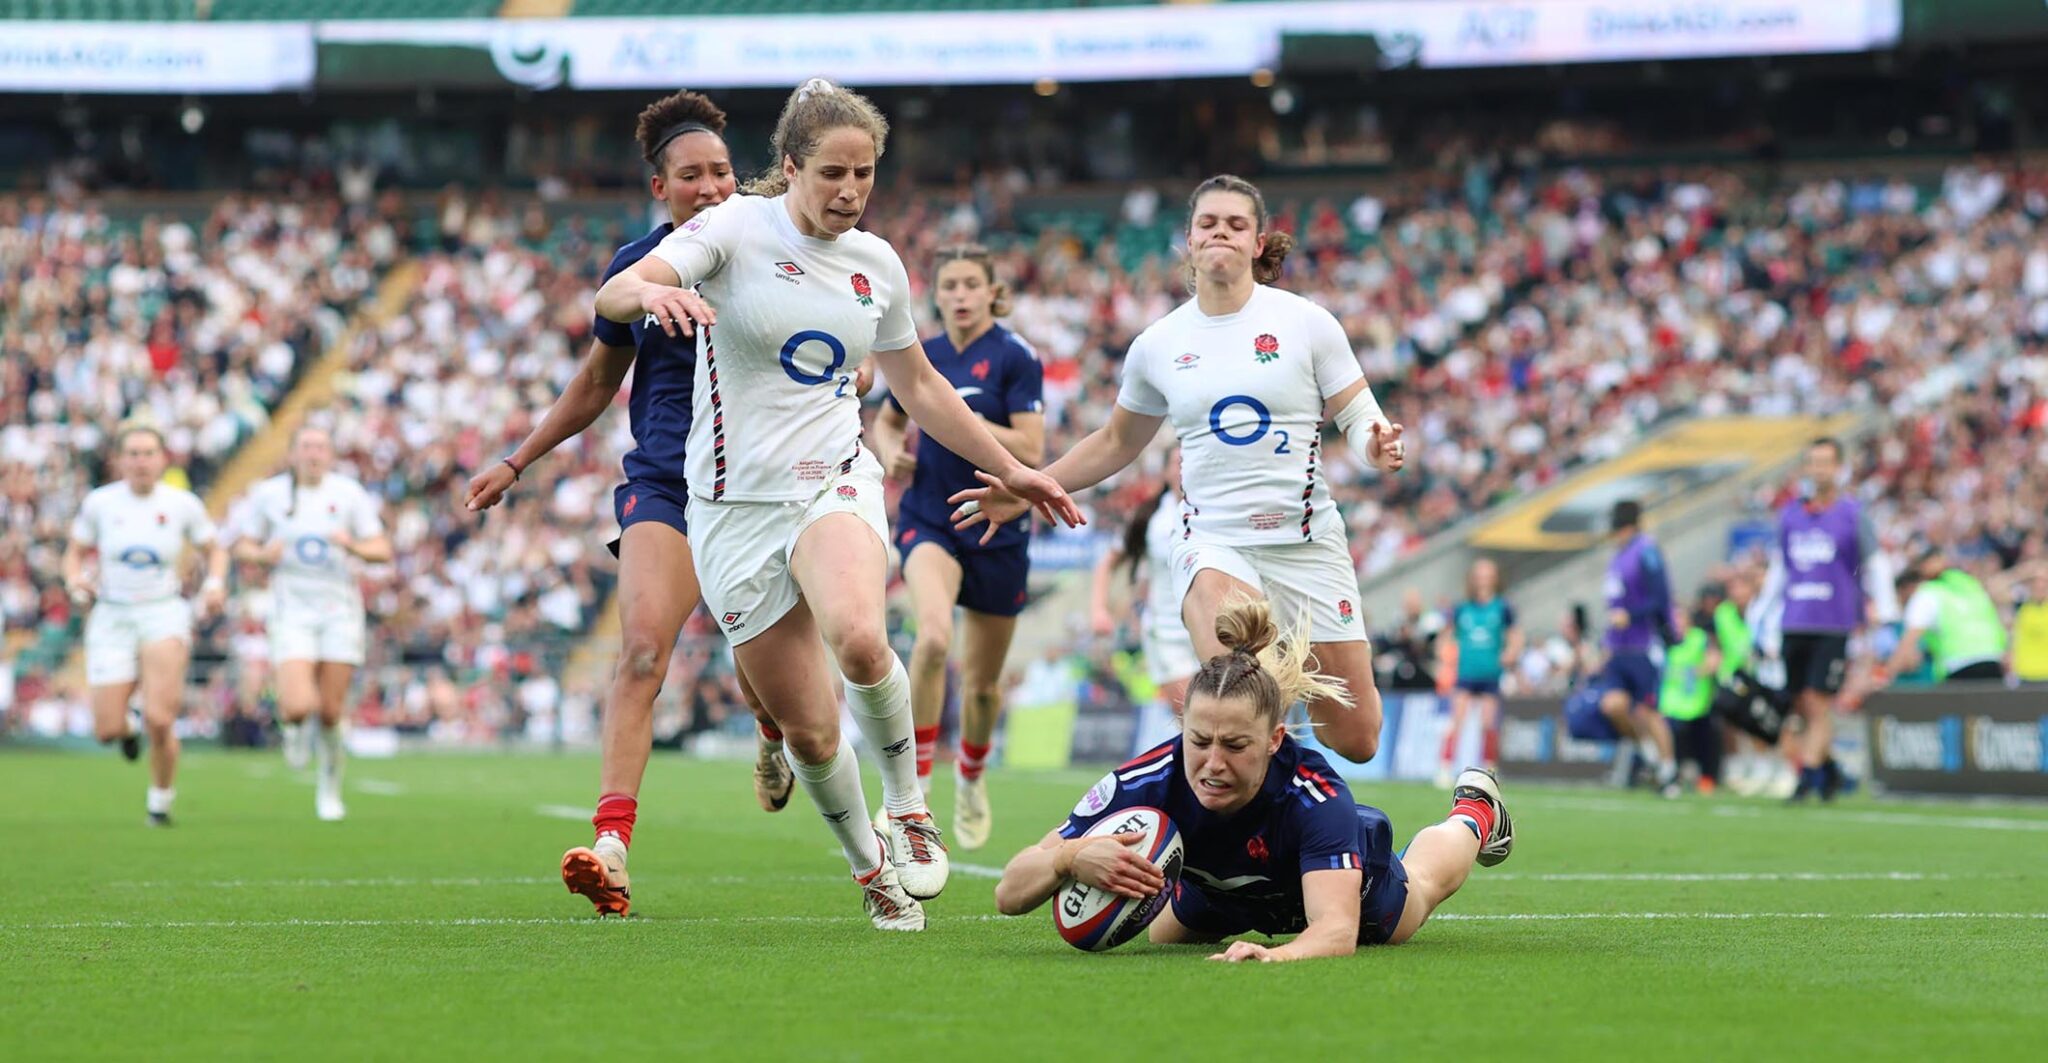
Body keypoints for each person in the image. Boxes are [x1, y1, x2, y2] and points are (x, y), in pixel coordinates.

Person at [592, 78, 1081, 930]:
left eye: (865, 174)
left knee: (860, 633)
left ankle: (911, 805)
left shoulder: (879, 262)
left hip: (832, 476)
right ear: (789, 169)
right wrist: (650, 292)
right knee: (812, 733)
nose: (851, 192)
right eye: (832, 174)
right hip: (730, 508)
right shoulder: (732, 229)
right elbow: (615, 293)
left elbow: (921, 388)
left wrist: (1017, 468)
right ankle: (870, 868)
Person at [462, 90, 798, 916]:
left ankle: (770, 733)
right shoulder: (637, 266)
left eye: (723, 171)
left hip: (757, 486)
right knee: (642, 652)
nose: (712, 187)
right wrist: (518, 460)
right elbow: (594, 384)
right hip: (665, 484)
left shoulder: (780, 254)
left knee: (766, 684)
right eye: (691, 176)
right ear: (661, 188)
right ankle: (611, 843)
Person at [955, 174, 1404, 764]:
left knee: (1357, 737)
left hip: (1305, 541)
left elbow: (1359, 415)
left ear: (1258, 243)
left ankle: (1280, 760)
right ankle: (1258, 823)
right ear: (1189, 240)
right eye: (1208, 223)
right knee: (1244, 678)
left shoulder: (1307, 323)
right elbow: (1118, 440)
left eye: (1236, 224)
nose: (1221, 232)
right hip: (1213, 541)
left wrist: (1377, 446)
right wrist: (1031, 485)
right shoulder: (1159, 344)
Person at [992, 598, 1513, 961]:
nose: (1212, 762)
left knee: (1415, 895)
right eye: (1198, 741)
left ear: (1273, 739)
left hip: (1334, 892)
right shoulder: (1144, 780)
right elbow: (1009, 892)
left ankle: (1475, 814)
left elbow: (1334, 931)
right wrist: (1069, 857)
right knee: (1162, 940)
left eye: (1235, 745)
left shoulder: (1316, 794)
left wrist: (1278, 955)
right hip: (1220, 894)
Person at [868, 244, 1044, 850]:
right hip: (931, 520)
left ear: (991, 290)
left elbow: (1034, 450)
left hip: (998, 531)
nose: (961, 295)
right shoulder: (924, 354)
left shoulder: (1016, 357)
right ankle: (909, 795)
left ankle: (970, 774)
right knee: (934, 639)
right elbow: (889, 419)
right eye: (950, 285)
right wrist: (889, 448)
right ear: (935, 294)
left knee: (984, 686)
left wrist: (956, 414)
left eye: (972, 283)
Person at [60, 424, 228, 826]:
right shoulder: (101, 503)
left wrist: (215, 584)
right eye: (132, 453)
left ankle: (160, 800)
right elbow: (74, 553)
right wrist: (74, 578)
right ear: (119, 459)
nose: (140, 461)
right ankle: (127, 725)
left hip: (162, 611)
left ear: (162, 458)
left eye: (148, 453)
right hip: (113, 614)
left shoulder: (182, 503)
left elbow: (214, 548)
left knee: (161, 717)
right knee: (106, 730)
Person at [230, 425, 392, 821]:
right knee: (299, 704)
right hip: (292, 610)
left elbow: (381, 549)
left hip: (339, 610)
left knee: (332, 712)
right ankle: (293, 729)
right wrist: (264, 556)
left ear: (331, 453)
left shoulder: (348, 494)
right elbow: (242, 545)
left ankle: (329, 790)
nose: (314, 454)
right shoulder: (270, 495)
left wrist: (351, 545)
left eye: (321, 446)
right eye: (306, 446)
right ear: (293, 453)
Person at [1751, 438, 1895, 802]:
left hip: (1833, 621)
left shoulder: (1852, 515)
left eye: (1826, 462)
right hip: (1794, 620)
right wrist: (1761, 611)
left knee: (1817, 701)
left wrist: (1887, 613)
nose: (1819, 470)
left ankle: (1808, 776)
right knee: (1798, 704)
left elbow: (1875, 563)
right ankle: (1830, 769)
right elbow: (1781, 568)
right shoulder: (1790, 515)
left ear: (1839, 467)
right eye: (1813, 462)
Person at [1090, 447, 1198, 715]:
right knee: (1192, 718)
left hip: (1214, 630)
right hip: (1167, 633)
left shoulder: (1221, 513)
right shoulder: (1149, 517)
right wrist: (1099, 610)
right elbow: (1108, 563)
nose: (1184, 466)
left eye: (1192, 458)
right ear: (1166, 471)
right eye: (1178, 461)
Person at [1598, 499, 1681, 798]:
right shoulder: (1617, 557)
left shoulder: (1646, 551)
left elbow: (1661, 599)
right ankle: (1649, 755)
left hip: (1644, 644)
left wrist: (1630, 616)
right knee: (1613, 705)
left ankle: (1669, 772)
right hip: (1619, 648)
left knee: (1649, 711)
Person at [1436, 558, 1519, 788]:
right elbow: (1445, 636)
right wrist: (1446, 657)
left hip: (1490, 672)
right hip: (1466, 672)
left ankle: (1489, 770)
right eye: (1479, 574)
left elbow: (1514, 636)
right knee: (1457, 720)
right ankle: (1445, 767)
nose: (1483, 579)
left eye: (1487, 574)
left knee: (1488, 722)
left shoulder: (1503, 608)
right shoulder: (1462, 608)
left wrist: (1511, 653)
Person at [1881, 548, 2007, 684]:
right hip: (1993, 662)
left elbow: (1908, 642)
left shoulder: (1928, 592)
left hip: (1958, 667)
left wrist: (1885, 676)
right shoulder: (1971, 585)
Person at [1659, 588, 1722, 794]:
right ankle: (1673, 776)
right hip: (1672, 703)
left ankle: (1706, 778)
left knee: (1706, 737)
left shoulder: (1700, 638)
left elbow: (1714, 661)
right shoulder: (1666, 642)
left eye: (1679, 616)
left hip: (1696, 701)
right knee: (1673, 737)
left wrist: (1697, 671)